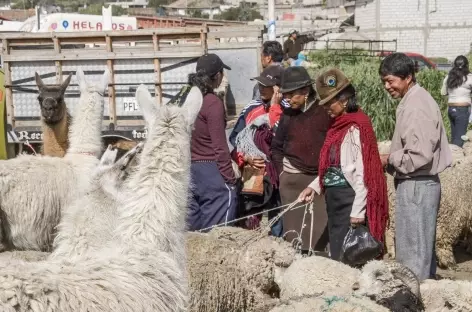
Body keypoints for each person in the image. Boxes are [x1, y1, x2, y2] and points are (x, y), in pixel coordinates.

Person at [298, 69, 388, 261]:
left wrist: (358, 211)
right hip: (335, 200)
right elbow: (333, 166)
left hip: (349, 198)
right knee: (338, 249)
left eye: (329, 103)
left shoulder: (356, 127)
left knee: (348, 254)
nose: (326, 108)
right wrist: (313, 187)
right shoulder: (338, 126)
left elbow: (364, 172)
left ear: (345, 99)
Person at [379, 52, 452, 281]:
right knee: (417, 251)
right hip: (417, 184)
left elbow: (419, 155)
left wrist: (389, 158)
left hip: (417, 185)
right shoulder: (413, 100)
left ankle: (415, 299)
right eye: (384, 82)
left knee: (414, 256)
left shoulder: (416, 106)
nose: (387, 87)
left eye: (390, 81)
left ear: (408, 77)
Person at [271, 66, 332, 253]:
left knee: (319, 241)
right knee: (294, 241)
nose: (287, 99)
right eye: (285, 94)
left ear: (305, 91)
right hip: (291, 184)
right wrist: (283, 173)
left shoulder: (324, 113)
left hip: (318, 184)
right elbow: (276, 147)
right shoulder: (288, 115)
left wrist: (320, 180)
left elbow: (332, 147)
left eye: (291, 94)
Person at [229, 65, 284, 236]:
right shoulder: (251, 109)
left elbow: (281, 137)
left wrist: (275, 106)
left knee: (279, 219)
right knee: (250, 220)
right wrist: (245, 158)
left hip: (279, 175)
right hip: (254, 173)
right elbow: (235, 140)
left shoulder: (288, 110)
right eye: (259, 84)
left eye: (266, 85)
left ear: (278, 88)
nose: (261, 88)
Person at [187, 53, 239, 232]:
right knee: (217, 233)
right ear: (217, 76)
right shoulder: (212, 103)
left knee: (193, 233)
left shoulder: (187, 100)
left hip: (189, 171)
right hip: (211, 171)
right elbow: (219, 146)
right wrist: (229, 179)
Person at [440, 55, 472, 147]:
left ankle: (451, 158)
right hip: (462, 109)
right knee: (460, 139)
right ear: (466, 65)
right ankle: (456, 159)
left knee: (454, 137)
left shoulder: (448, 77)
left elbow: (443, 93)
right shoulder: (469, 77)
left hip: (451, 109)